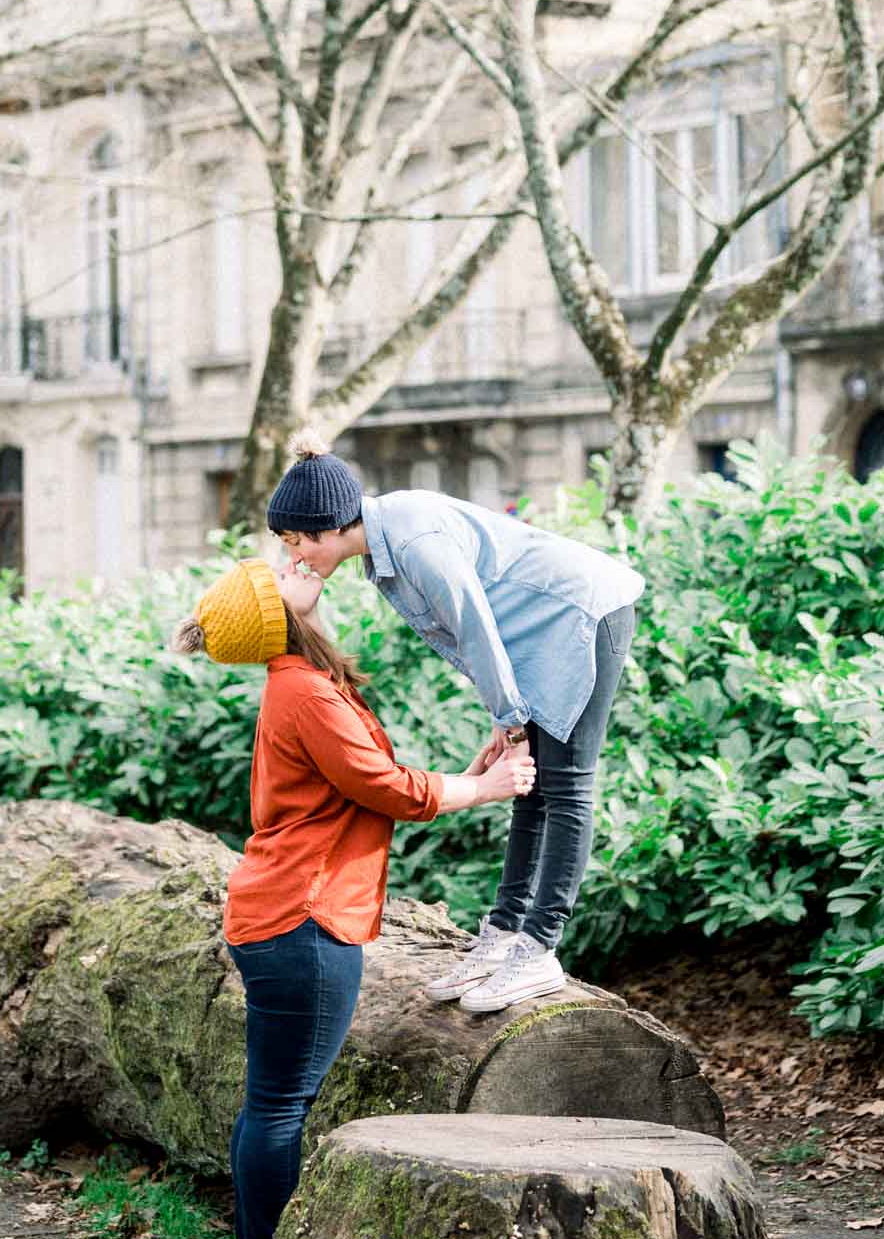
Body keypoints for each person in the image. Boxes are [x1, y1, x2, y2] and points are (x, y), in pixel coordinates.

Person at [172, 555, 535, 1239]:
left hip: (281, 912)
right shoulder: (305, 692)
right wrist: (489, 788)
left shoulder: (302, 687)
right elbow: (385, 788)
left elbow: (364, 789)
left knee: (271, 1098)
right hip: (301, 920)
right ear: (279, 613)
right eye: (280, 570)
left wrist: (472, 775)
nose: (296, 561)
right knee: (280, 1103)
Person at [266, 432, 644, 1013]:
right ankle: (501, 935)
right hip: (533, 638)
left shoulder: (412, 536)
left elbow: (473, 626)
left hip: (582, 616)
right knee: (528, 787)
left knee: (565, 786)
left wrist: (513, 721)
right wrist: (507, 713)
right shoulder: (382, 549)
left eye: (297, 543)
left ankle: (539, 949)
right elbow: (472, 635)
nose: (296, 558)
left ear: (327, 527)